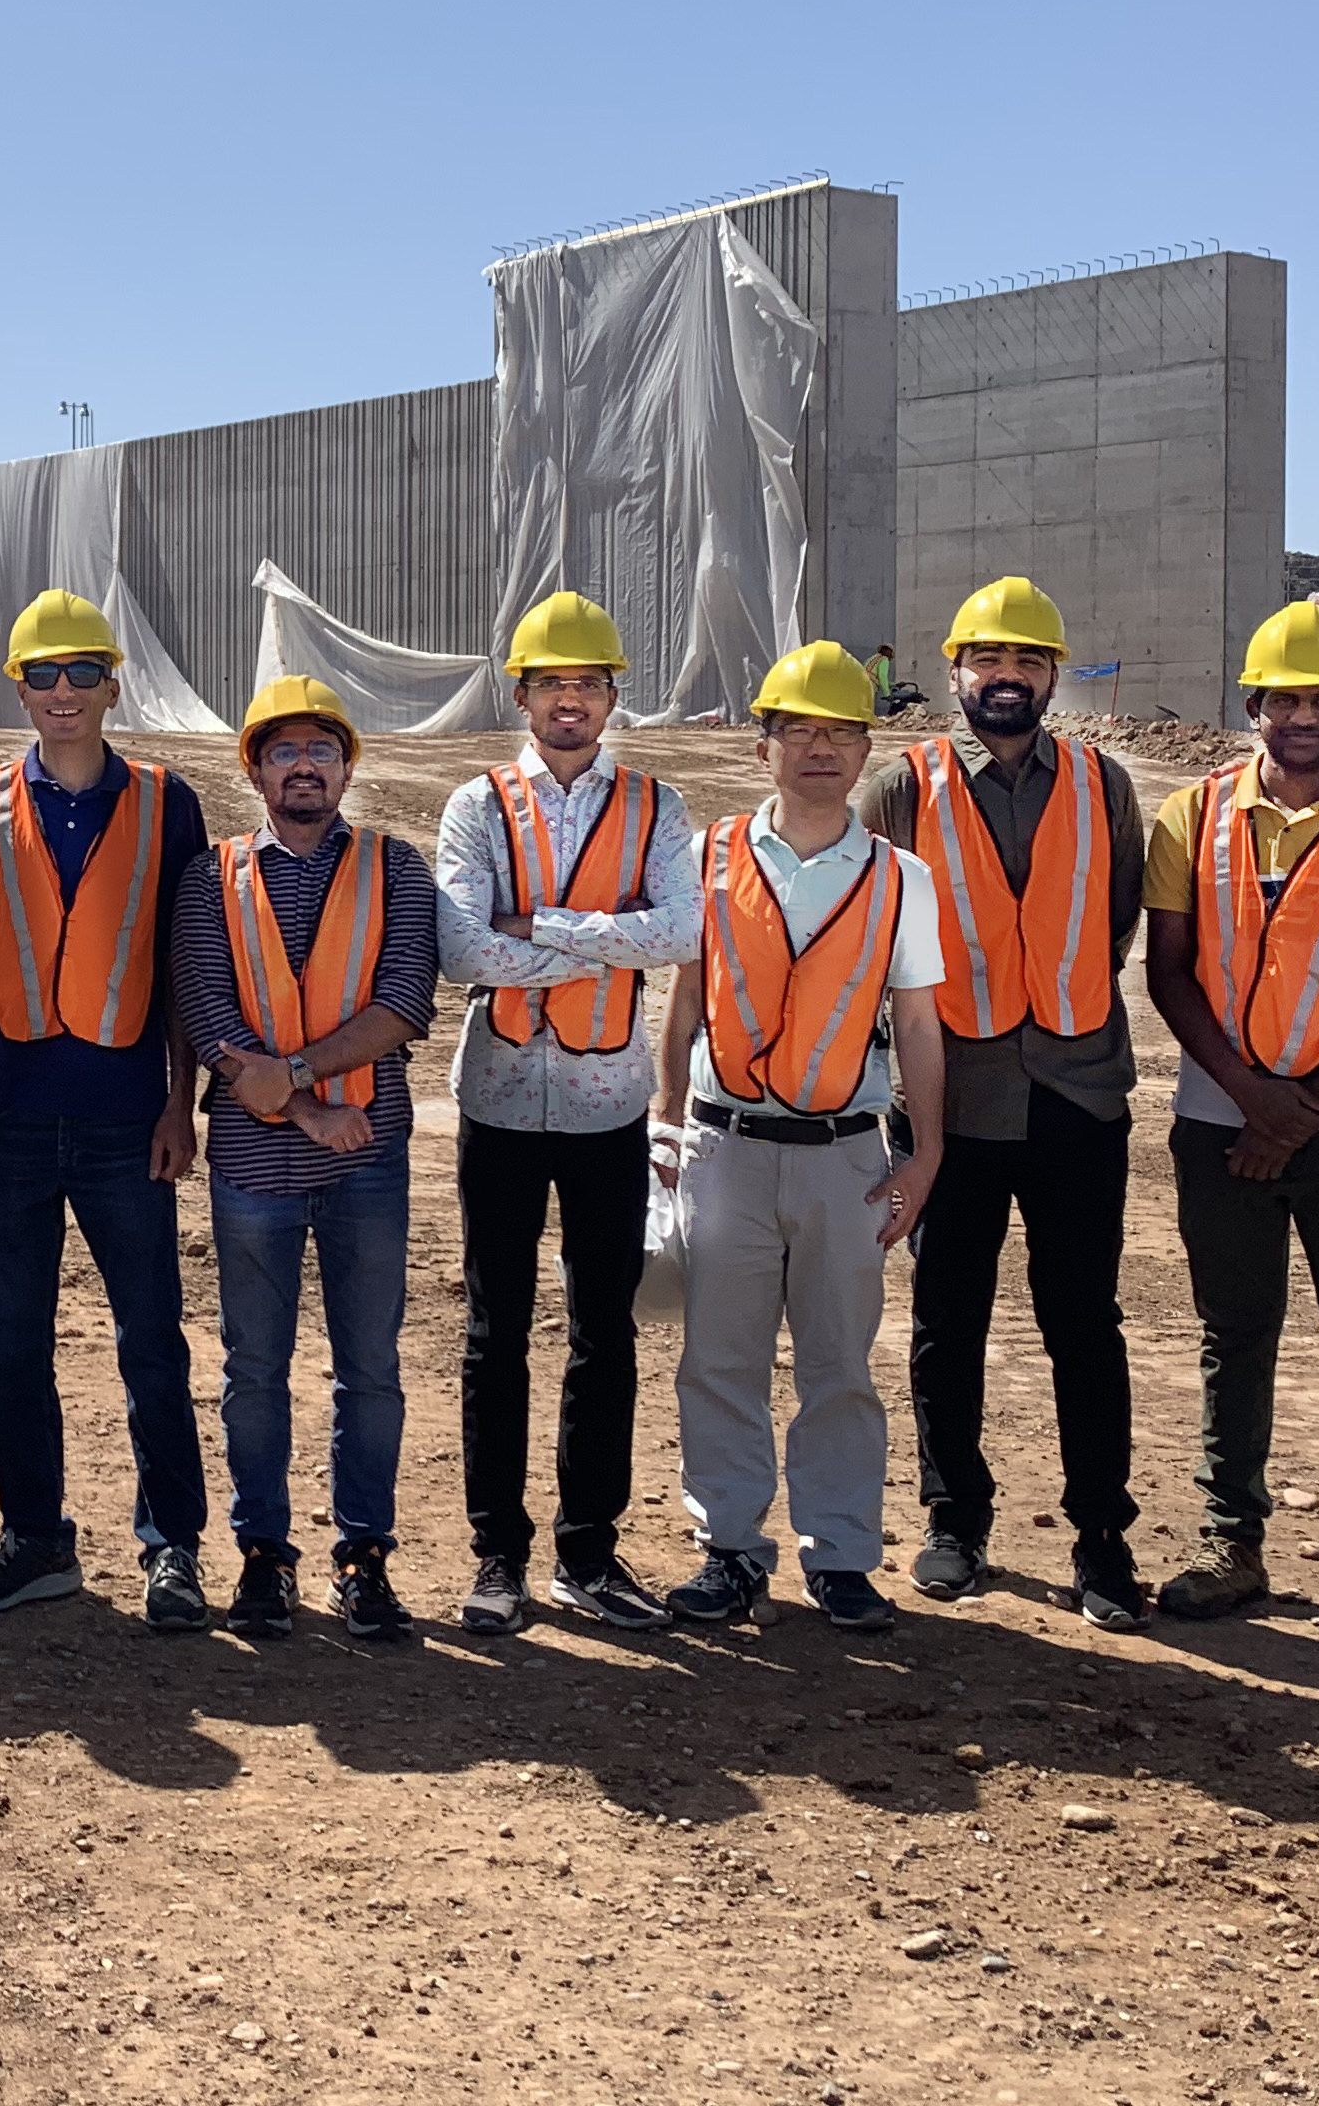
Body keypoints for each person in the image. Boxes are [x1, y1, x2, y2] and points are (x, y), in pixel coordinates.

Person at [1139, 601, 1319, 1636]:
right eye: (1286, 698)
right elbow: (1168, 973)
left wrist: (1299, 1111)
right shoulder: (1190, 816)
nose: (1305, 716)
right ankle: (1232, 1540)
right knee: (1235, 1332)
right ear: (1253, 705)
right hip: (1220, 1117)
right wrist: (1252, 1100)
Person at [859, 576, 1151, 1628]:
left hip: (1077, 1092)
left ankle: (1102, 1537)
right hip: (952, 1101)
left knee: (1086, 1320)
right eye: (989, 660)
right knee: (948, 1318)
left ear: (1053, 677)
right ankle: (955, 1519)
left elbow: (1114, 915)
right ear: (956, 673)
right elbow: (872, 933)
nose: (1008, 677)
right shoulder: (904, 788)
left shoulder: (1105, 783)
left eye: (1027, 662)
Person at [0, 589, 216, 1623]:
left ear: (110, 683)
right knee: (15, 1342)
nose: (61, 693)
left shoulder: (168, 802)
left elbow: (185, 969)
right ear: (18, 686)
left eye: (80, 673)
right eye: (42, 676)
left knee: (152, 1340)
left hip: (124, 1119)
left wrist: (185, 1102)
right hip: (7, 1115)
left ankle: (172, 1546)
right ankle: (36, 1536)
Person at [654, 641, 948, 1634]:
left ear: (867, 747)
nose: (820, 748)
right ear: (766, 741)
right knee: (720, 1360)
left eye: (840, 731)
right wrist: (663, 1123)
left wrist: (928, 1153)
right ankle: (729, 1550)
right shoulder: (709, 855)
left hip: (846, 1156)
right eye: (800, 730)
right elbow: (686, 998)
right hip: (725, 1147)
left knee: (840, 1366)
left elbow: (916, 1023)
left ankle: (841, 1555)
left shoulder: (900, 877)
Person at [429, 591, 698, 1636]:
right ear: (525, 695)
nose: (569, 700)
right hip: (498, 1099)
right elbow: (461, 950)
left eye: (586, 683)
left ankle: (590, 1551)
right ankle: (499, 1553)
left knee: (605, 1334)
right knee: (495, 1334)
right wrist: (606, 934)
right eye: (552, 684)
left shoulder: (658, 806)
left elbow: (679, 934)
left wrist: (536, 922)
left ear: (609, 695)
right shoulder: (475, 805)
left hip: (608, 1108)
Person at [176, 678, 437, 1640]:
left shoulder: (397, 868)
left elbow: (406, 1000)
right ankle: (263, 1557)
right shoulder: (211, 876)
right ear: (254, 768)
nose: (302, 766)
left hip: (364, 1155)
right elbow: (205, 1008)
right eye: (282, 751)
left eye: (320, 750)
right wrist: (306, 1111)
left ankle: (363, 1557)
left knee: (369, 1368)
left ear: (346, 765)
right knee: (255, 1369)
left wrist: (296, 1085)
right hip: (253, 1167)